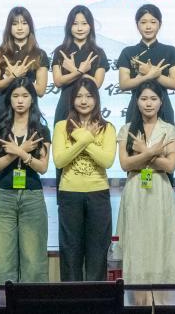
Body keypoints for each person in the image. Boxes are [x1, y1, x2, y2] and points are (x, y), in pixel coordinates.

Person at [114, 82, 175, 283]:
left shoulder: (169, 130)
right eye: (144, 99)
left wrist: (145, 152)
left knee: (161, 237)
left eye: (153, 99)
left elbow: (170, 166)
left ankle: (163, 290)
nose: (148, 104)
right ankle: (135, 290)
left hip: (160, 188)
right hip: (135, 186)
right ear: (136, 101)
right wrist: (153, 154)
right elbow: (125, 164)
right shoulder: (127, 129)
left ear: (161, 102)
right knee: (136, 238)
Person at [52, 80, 117, 281]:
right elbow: (60, 160)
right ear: (72, 100)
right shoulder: (61, 126)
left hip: (98, 194)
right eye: (79, 96)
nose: (84, 101)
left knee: (98, 252)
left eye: (89, 96)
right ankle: (72, 297)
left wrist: (82, 138)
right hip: (69, 194)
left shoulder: (107, 128)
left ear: (96, 99)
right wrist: (87, 138)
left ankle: (96, 297)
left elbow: (106, 161)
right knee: (70, 252)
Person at [0, 77, 51, 283]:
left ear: (32, 99)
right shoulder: (1, 127)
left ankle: (31, 301)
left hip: (32, 196)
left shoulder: (41, 130)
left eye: (25, 96)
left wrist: (22, 153)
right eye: (15, 96)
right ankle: (4, 300)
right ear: (10, 99)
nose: (20, 100)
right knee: (3, 261)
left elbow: (42, 167)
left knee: (33, 262)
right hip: (4, 196)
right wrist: (17, 151)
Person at [117, 4, 175, 124]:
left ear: (160, 24)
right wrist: (148, 76)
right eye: (143, 22)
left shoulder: (170, 51)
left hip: (164, 107)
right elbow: (124, 84)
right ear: (137, 25)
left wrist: (152, 73)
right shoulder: (128, 52)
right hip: (136, 108)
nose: (148, 27)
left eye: (153, 22)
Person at [0, 7, 49, 124]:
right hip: (3, 109)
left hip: (29, 109)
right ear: (9, 27)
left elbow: (41, 91)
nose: (20, 28)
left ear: (30, 26)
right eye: (15, 24)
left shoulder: (39, 54)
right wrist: (12, 77)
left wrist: (22, 77)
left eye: (24, 23)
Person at [51, 5, 109, 124]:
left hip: (89, 106)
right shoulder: (60, 51)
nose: (79, 28)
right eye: (75, 24)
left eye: (84, 23)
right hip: (65, 105)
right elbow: (58, 81)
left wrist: (74, 71)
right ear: (69, 26)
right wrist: (81, 71)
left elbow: (97, 83)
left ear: (90, 26)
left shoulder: (98, 53)